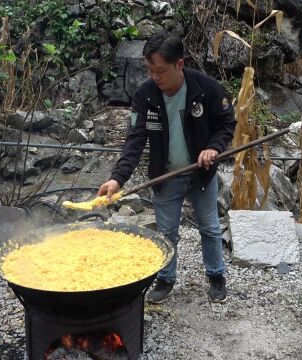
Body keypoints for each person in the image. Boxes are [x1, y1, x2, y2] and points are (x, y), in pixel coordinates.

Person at [98, 31, 236, 304]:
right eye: (150, 70)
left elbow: (226, 123)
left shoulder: (206, 88)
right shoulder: (145, 97)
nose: (155, 77)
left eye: (160, 71)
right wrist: (117, 179)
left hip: (201, 173)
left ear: (180, 65)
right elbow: (135, 141)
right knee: (166, 232)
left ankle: (216, 276)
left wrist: (213, 147)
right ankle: (165, 278)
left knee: (209, 228)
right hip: (165, 176)